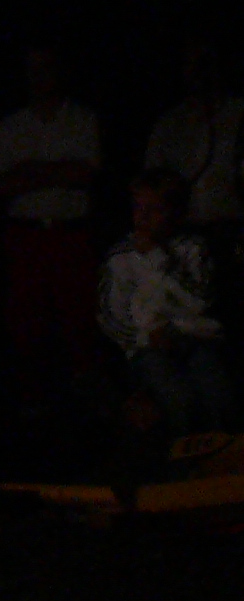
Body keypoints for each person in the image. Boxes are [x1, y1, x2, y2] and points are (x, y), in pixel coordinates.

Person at [0, 46, 103, 390]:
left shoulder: (83, 119)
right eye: (33, 69)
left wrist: (28, 172)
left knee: (78, 314)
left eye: (46, 67)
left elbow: (87, 174)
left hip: (71, 233)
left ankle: (84, 390)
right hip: (26, 235)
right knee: (27, 318)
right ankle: (34, 394)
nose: (39, 76)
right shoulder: (10, 126)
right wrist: (58, 171)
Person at [99, 167, 232, 442]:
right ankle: (181, 458)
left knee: (217, 395)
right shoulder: (121, 258)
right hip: (147, 347)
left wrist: (157, 258)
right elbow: (112, 316)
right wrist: (147, 338)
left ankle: (220, 457)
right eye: (138, 208)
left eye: (155, 210)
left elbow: (199, 301)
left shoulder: (192, 249)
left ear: (176, 213)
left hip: (195, 338)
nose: (143, 217)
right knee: (178, 399)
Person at [139, 35, 238, 253]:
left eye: (205, 61)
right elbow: (152, 182)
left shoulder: (237, 115)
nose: (199, 72)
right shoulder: (169, 124)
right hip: (182, 235)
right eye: (192, 64)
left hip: (232, 232)